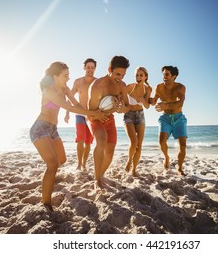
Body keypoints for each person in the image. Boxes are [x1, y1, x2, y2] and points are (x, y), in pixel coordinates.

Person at [29, 62, 105, 211]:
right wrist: (93, 114)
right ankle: (46, 204)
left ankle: (49, 178)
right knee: (52, 164)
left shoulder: (64, 89)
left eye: (68, 75)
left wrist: (92, 114)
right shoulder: (48, 91)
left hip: (52, 130)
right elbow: (68, 107)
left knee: (61, 160)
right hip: (40, 128)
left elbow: (76, 103)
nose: (68, 78)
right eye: (65, 76)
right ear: (55, 76)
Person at [87, 55, 130, 190]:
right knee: (101, 140)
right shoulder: (97, 86)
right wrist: (99, 115)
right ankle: (97, 180)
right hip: (95, 116)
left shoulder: (122, 86)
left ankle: (100, 175)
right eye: (118, 74)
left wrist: (123, 108)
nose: (120, 78)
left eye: (123, 75)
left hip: (109, 118)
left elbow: (127, 106)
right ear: (109, 69)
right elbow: (90, 111)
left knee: (110, 152)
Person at [150, 66, 187, 176]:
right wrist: (148, 99)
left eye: (167, 74)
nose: (164, 77)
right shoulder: (159, 87)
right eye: (163, 74)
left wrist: (166, 105)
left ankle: (179, 168)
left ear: (174, 76)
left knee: (183, 146)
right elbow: (153, 101)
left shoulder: (180, 87)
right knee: (161, 141)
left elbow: (180, 103)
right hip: (165, 118)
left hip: (178, 118)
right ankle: (166, 157)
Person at [64, 58, 97, 171]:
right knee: (81, 140)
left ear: (94, 69)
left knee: (88, 143)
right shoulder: (78, 82)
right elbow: (70, 97)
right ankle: (79, 164)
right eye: (88, 67)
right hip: (79, 114)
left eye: (92, 68)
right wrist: (67, 113)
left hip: (92, 116)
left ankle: (84, 164)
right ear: (84, 68)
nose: (90, 70)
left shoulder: (97, 82)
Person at [124, 67, 152, 176]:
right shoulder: (130, 87)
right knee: (133, 142)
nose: (138, 77)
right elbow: (120, 95)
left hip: (140, 115)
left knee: (139, 145)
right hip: (129, 116)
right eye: (137, 75)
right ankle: (129, 160)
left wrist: (144, 101)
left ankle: (134, 169)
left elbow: (148, 106)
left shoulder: (148, 89)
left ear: (145, 77)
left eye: (141, 75)